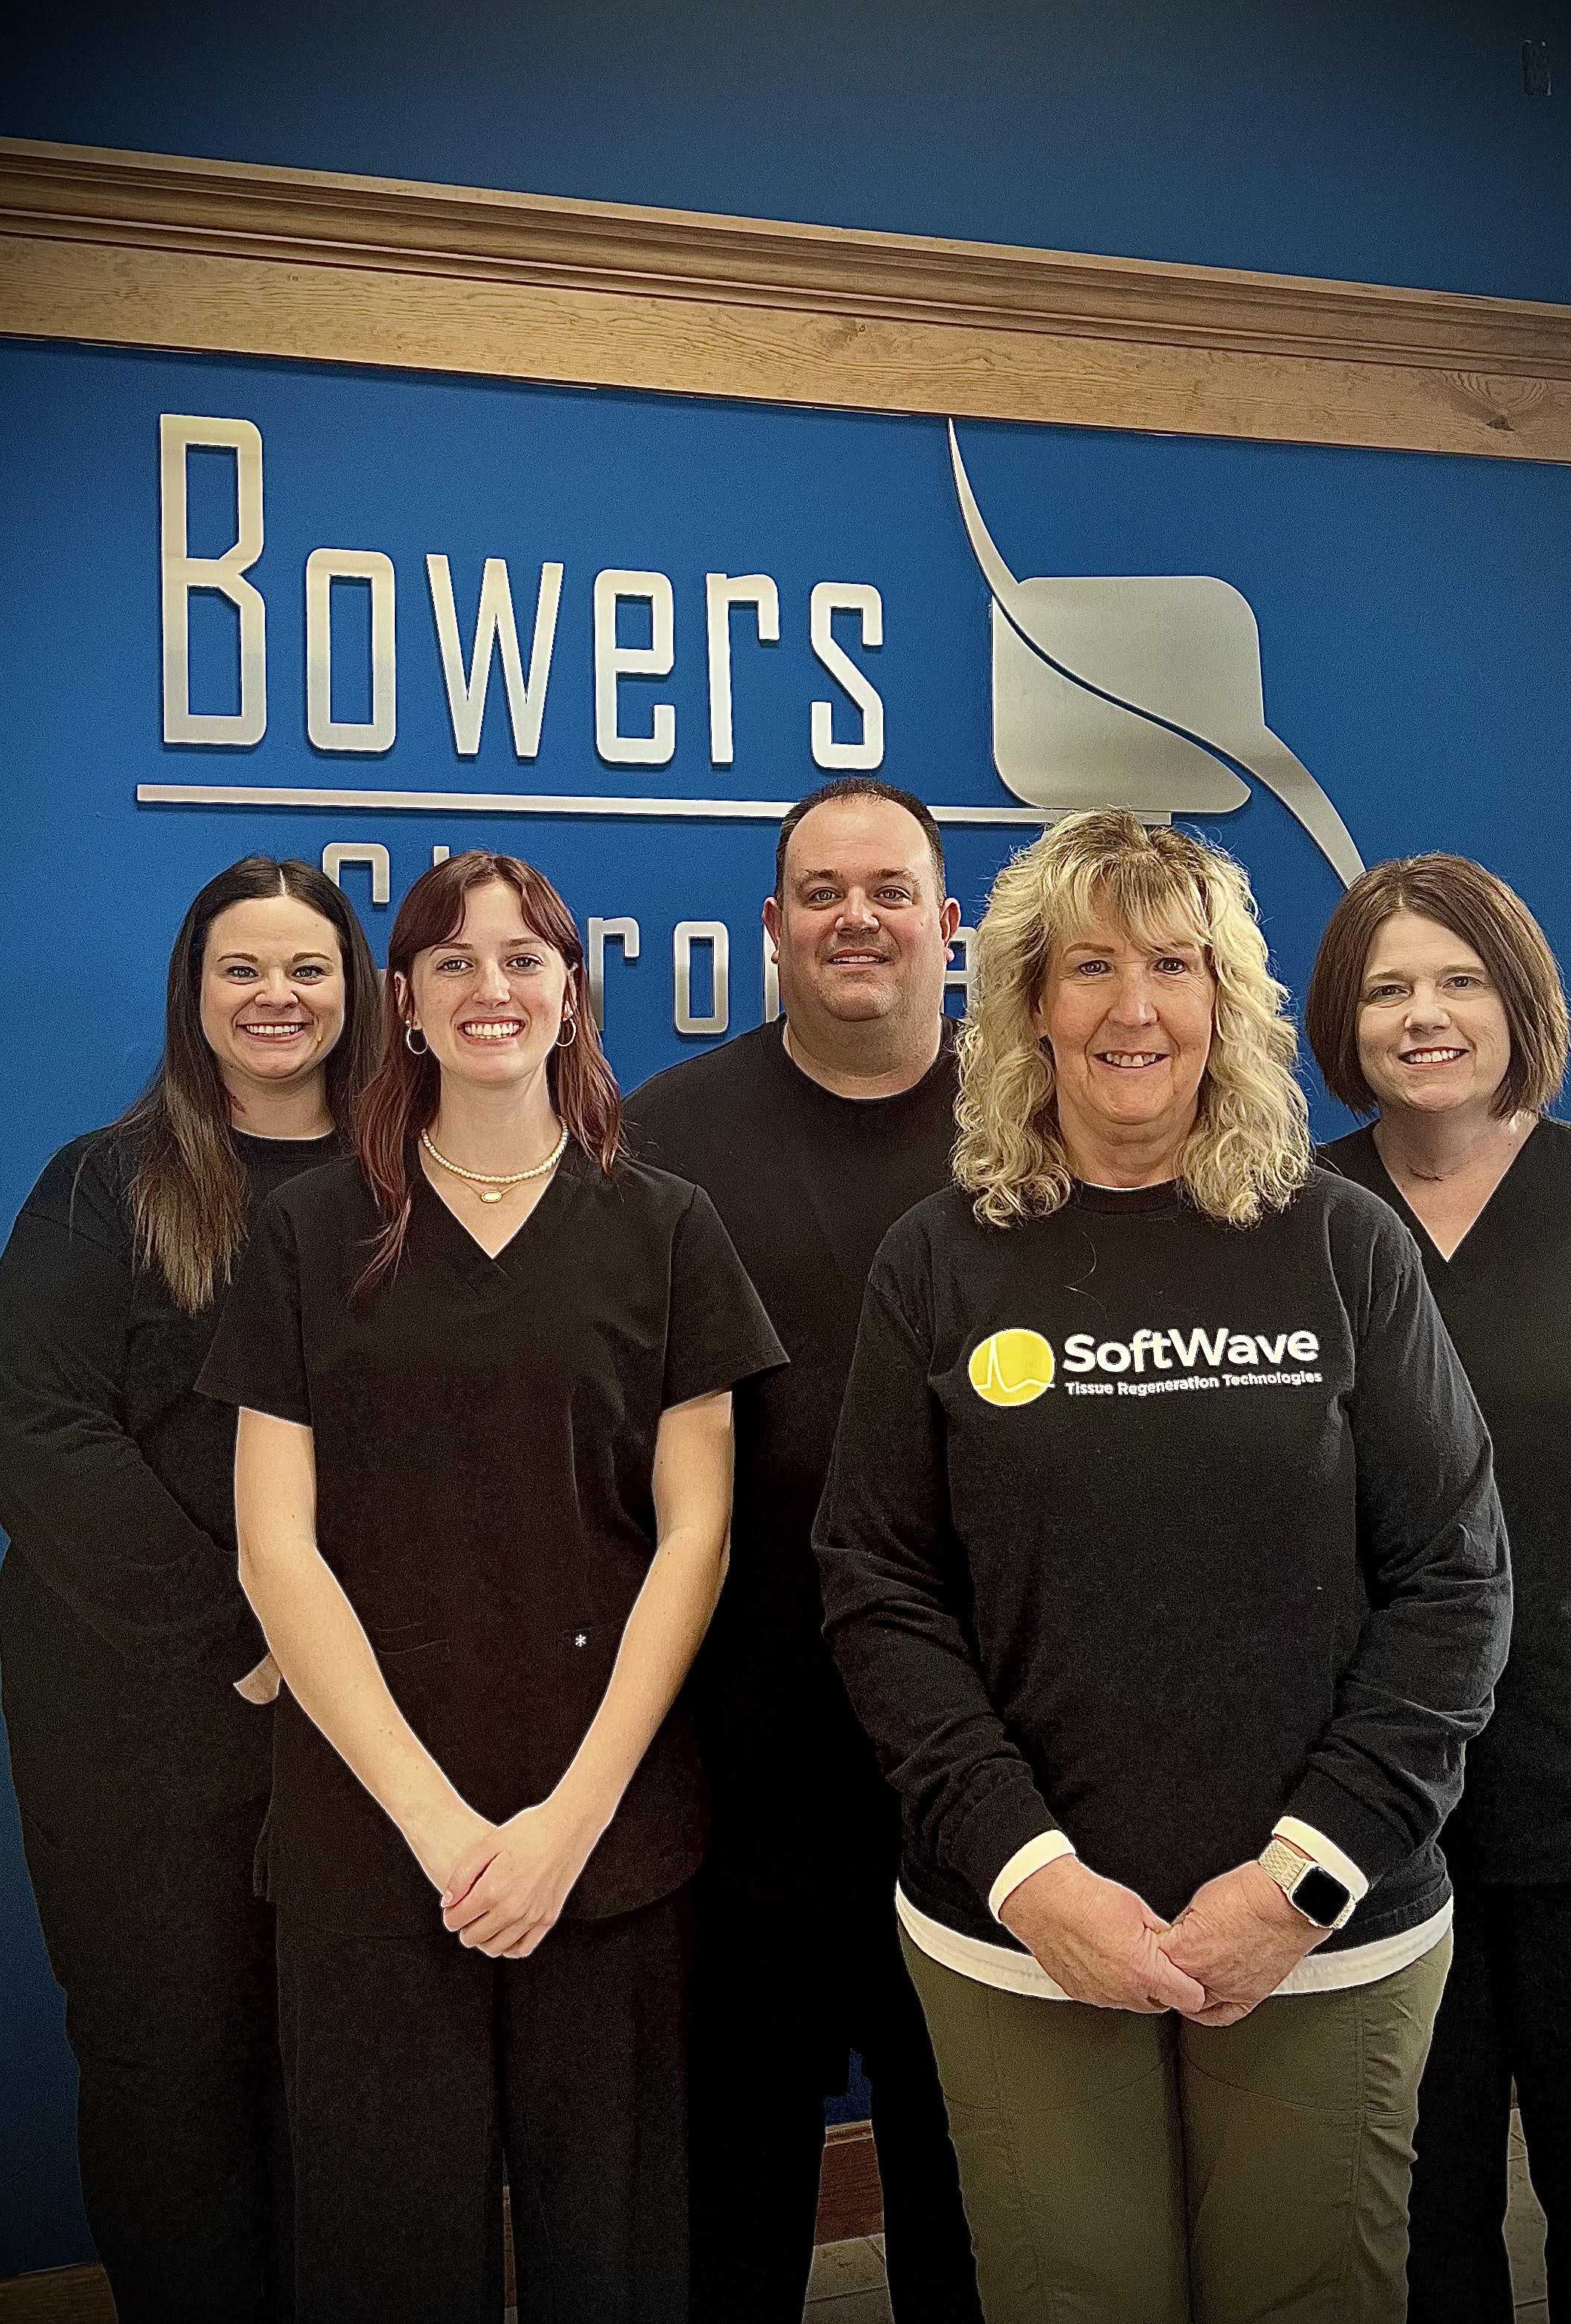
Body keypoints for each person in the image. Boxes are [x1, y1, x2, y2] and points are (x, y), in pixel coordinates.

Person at [814, 810, 1513, 2324]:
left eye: (1173, 966)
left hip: (1326, 1932)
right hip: (1020, 1933)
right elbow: (879, 1586)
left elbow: (1456, 1580)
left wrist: (1301, 1879)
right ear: (1028, 1006)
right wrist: (1031, 1874)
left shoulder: (1341, 1243)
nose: (1133, 1009)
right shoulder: (940, 1258)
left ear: (1224, 1000)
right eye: (1089, 967)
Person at [197, 850, 783, 2324]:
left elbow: (696, 1540)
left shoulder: (666, 1226)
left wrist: (565, 1829)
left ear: (572, 995)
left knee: (617, 2263)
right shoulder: (308, 1232)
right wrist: (442, 1830)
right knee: (384, 2258)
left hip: (611, 1833)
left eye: (524, 959)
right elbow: (276, 1549)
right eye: (453, 962)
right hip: (370, 1834)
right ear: (400, 1003)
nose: (491, 988)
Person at [1307, 854, 1571, 2324]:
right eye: (1387, 988)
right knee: (1414, 2223)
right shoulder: (1294, 1215)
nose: (1424, 1015)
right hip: (1380, 1800)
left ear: (1518, 1003)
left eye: (1459, 981)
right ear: (1341, 1021)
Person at [0, 856, 379, 2323]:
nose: (276, 996)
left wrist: (342, 1648)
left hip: (360, 1717)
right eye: (243, 969)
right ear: (194, 993)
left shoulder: (406, 1186)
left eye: (306, 968)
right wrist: (248, 1632)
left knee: (340, 2060)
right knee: (172, 2063)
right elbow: (41, 1428)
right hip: (136, 1719)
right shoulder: (103, 1187)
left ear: (356, 993)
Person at [625, 777, 983, 2324]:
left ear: (947, 924)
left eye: (890, 890)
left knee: (969, 2190)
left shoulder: (1035, 1124)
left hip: (975, 1757)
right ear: (771, 926)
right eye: (822, 892)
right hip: (735, 1760)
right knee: (734, 2195)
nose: (857, 918)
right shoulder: (660, 1138)